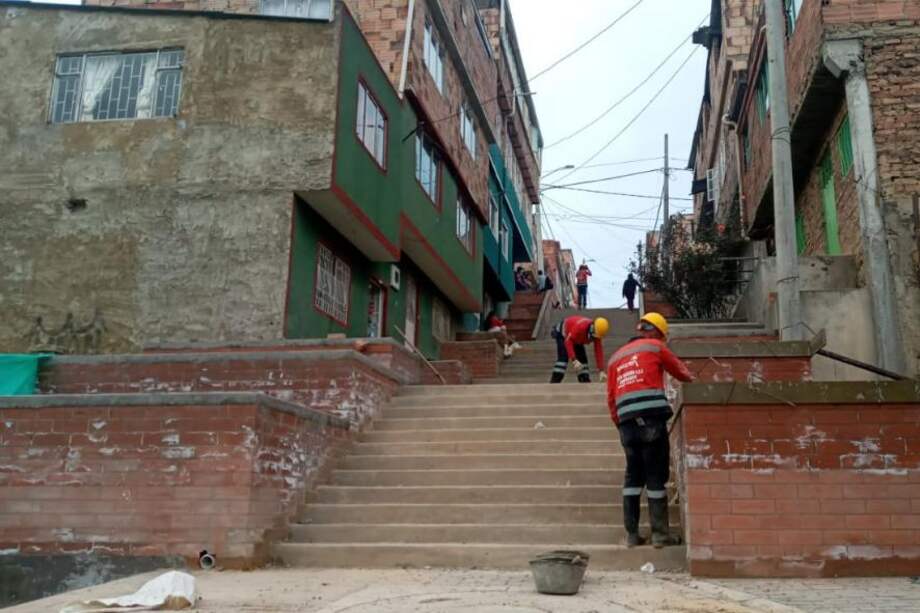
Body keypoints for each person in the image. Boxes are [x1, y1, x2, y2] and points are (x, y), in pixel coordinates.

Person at [606, 313, 695, 549]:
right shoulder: (654, 346)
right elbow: (681, 373)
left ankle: (632, 536)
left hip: (626, 422)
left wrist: (621, 423)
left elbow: (610, 398)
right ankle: (659, 535)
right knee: (656, 474)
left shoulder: (615, 358)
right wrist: (694, 381)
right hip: (652, 419)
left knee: (633, 476)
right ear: (656, 331)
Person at [549, 315, 610, 383]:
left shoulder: (598, 332)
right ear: (592, 328)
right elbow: (568, 341)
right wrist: (574, 359)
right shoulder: (581, 327)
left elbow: (598, 351)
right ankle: (555, 380)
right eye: (594, 335)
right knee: (563, 358)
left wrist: (601, 370)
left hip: (577, 338)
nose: (594, 338)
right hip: (563, 333)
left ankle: (584, 379)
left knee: (582, 359)